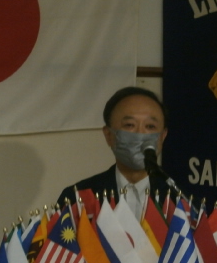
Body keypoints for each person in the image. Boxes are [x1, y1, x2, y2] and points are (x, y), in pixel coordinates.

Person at [57, 86, 173, 218]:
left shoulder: (179, 199)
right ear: (108, 135)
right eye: (129, 125)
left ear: (163, 136)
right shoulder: (76, 198)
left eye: (150, 126)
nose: (140, 134)